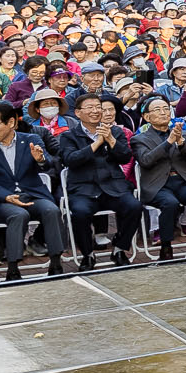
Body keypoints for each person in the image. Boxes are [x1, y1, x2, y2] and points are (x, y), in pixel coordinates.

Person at [0, 101, 59, 281]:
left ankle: (56, 262)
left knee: (51, 210)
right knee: (18, 215)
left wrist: (41, 160)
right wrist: (6, 197)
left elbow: (49, 165)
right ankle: (12, 268)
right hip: (2, 199)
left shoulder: (31, 140)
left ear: (11, 123)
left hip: (32, 193)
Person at [60, 90, 139, 267]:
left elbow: (125, 157)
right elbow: (70, 160)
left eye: (98, 107)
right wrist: (96, 144)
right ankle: (87, 254)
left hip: (113, 187)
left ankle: (119, 248)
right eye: (90, 107)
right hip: (84, 190)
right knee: (79, 213)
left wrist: (110, 140)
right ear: (78, 112)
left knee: (134, 206)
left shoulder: (115, 132)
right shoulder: (68, 136)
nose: (95, 111)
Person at [133, 96, 186, 256]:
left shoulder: (182, 132)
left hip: (182, 181)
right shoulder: (139, 139)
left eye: (166, 108)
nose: (163, 112)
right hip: (158, 184)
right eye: (158, 110)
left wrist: (182, 142)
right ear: (147, 117)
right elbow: (146, 160)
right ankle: (166, 246)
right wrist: (168, 142)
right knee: (169, 203)